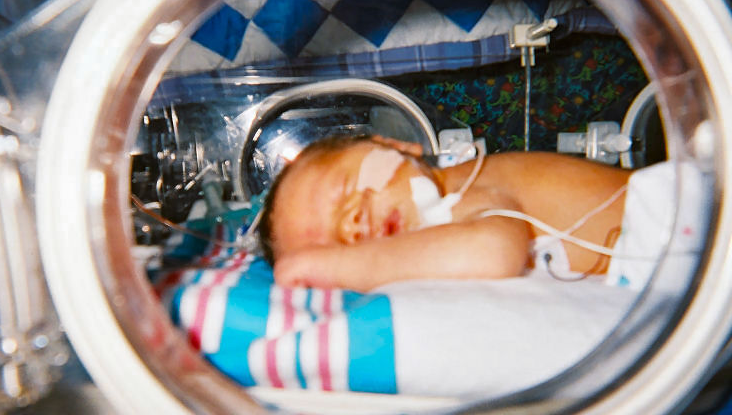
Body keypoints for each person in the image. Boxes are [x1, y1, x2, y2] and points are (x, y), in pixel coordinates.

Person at [258, 135, 631, 292]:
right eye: (338, 244)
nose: (352, 225)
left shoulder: (462, 190)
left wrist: (333, 265)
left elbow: (493, 252)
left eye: (343, 191)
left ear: (395, 145)